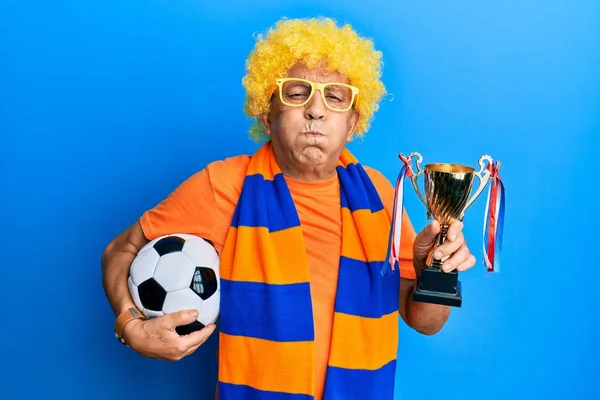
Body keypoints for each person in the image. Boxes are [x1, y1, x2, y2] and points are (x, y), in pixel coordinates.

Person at [101, 17, 476, 400]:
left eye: (335, 96)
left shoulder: (380, 196)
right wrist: (131, 328)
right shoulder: (223, 185)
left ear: (352, 124)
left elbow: (426, 322)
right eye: (297, 93)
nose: (316, 110)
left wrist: (437, 271)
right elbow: (120, 250)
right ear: (267, 115)